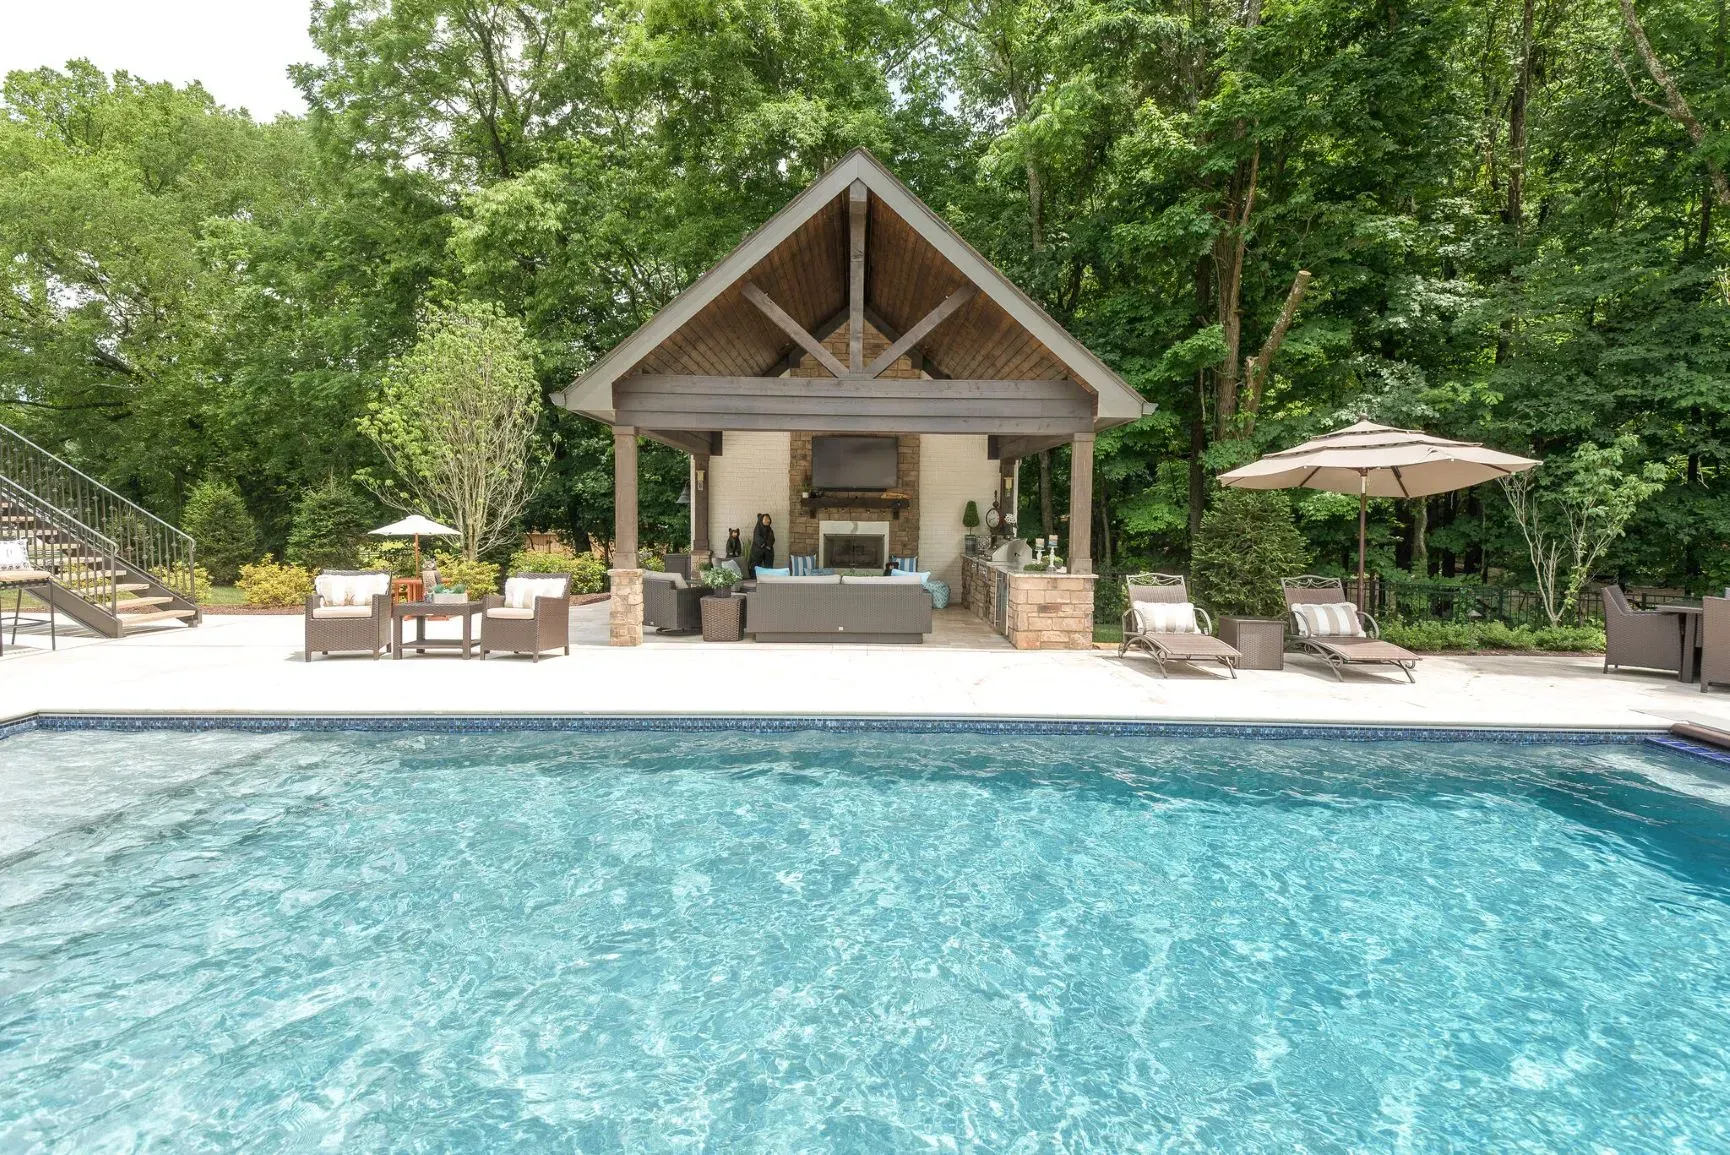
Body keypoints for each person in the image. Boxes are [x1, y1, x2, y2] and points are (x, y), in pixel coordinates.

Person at [747, 513, 775, 578]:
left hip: (768, 550)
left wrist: (768, 545)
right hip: (757, 550)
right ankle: (754, 577)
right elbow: (757, 538)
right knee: (755, 564)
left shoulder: (770, 530)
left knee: (769, 565)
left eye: (768, 519)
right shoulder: (757, 529)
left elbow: (772, 539)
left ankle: (768, 577)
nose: (768, 520)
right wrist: (762, 544)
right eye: (765, 519)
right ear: (761, 520)